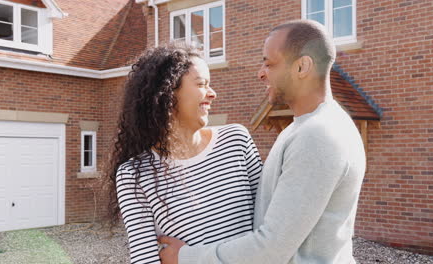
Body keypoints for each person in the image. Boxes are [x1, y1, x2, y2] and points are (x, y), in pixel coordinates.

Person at [159, 19, 366, 264]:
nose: (260, 73)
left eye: (269, 63)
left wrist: (184, 257)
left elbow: (271, 250)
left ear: (302, 67)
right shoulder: (303, 127)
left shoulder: (318, 135)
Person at [105, 44, 262, 264]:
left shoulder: (237, 141)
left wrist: (188, 258)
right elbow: (145, 259)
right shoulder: (135, 175)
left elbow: (268, 229)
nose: (212, 93)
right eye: (201, 84)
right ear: (168, 94)